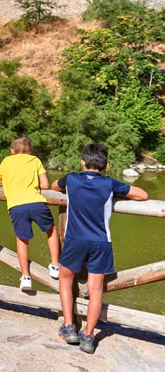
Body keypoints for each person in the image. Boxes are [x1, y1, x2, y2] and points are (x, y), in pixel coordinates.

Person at [52, 144, 147, 354]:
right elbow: (142, 195)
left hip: (75, 240)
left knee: (65, 278)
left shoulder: (71, 179)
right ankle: (88, 335)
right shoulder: (110, 184)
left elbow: (53, 184)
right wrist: (118, 194)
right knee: (96, 290)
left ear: (82, 162)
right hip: (101, 242)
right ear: (106, 165)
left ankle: (69, 327)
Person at [0, 137, 60, 291]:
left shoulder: (7, 161)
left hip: (16, 206)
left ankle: (25, 277)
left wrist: (11, 183)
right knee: (51, 230)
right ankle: (55, 266)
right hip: (36, 202)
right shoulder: (35, 160)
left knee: (22, 239)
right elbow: (45, 184)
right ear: (30, 151)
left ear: (12, 151)